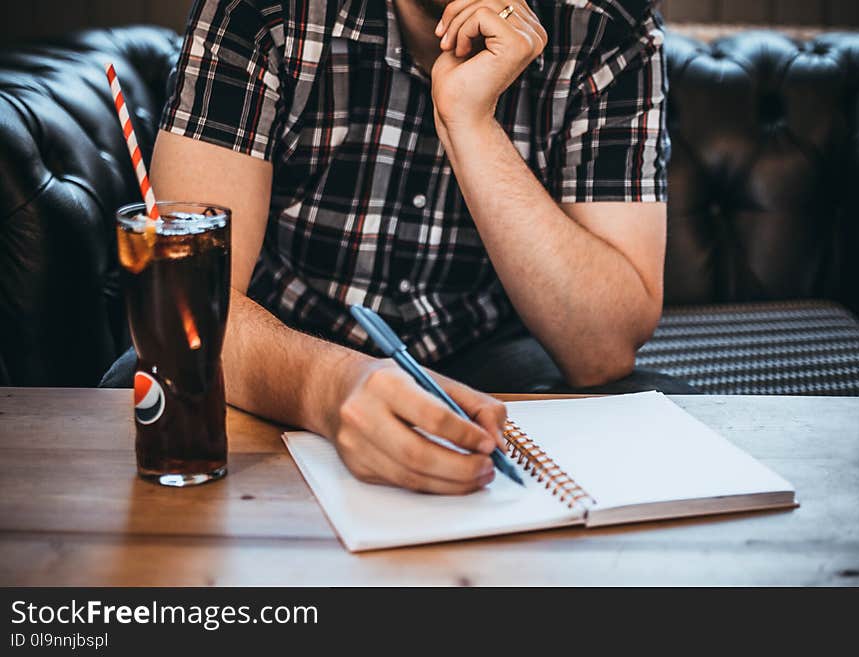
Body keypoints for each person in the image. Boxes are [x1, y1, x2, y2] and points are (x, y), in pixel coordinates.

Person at [106, 0, 689, 494]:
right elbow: (186, 305)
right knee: (139, 387)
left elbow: (603, 348)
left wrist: (470, 122)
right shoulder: (262, 10)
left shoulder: (611, 27)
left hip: (491, 358)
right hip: (276, 350)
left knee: (652, 416)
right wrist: (329, 387)